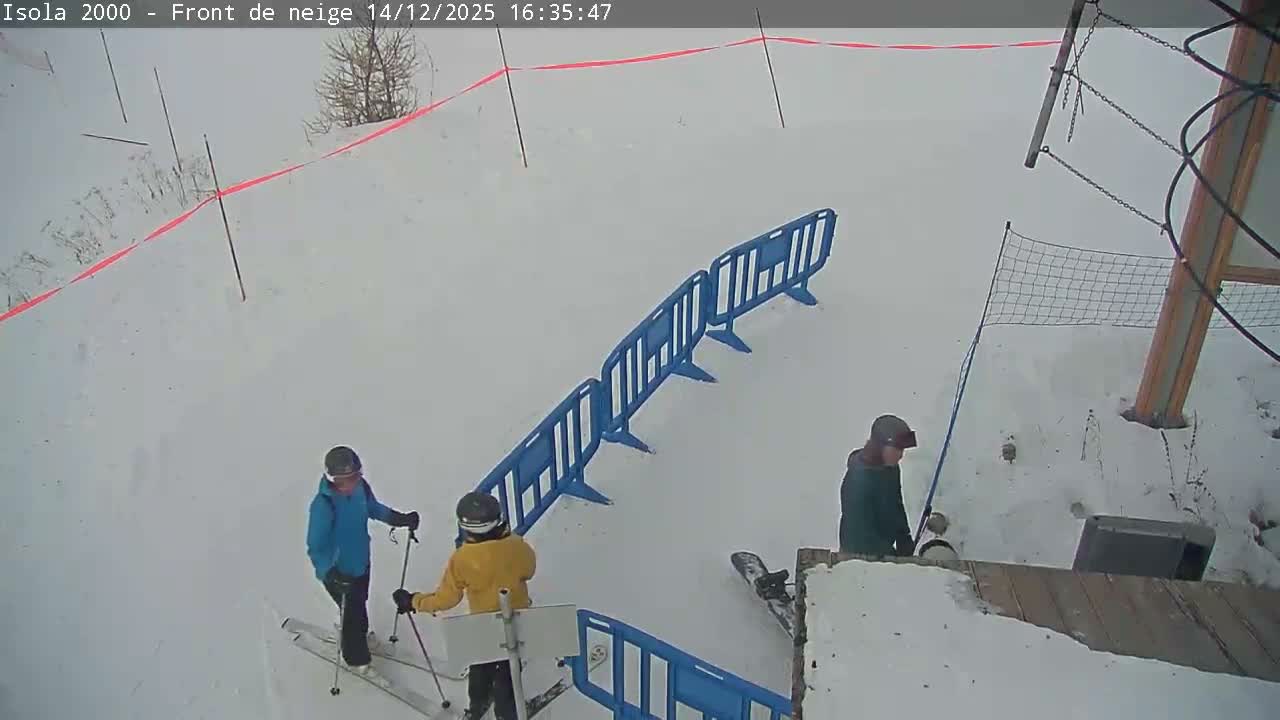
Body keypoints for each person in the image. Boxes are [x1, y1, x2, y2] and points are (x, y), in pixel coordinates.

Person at [392, 491, 536, 720]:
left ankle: (478, 706)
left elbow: (446, 599)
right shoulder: (517, 546)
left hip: (483, 627)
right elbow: (529, 570)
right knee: (509, 671)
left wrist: (415, 601)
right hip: (518, 622)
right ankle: (508, 712)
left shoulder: (463, 559)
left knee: (481, 668)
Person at [306, 445, 420, 680]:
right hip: (337, 573)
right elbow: (315, 546)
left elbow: (373, 508)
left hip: (360, 562)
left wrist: (398, 518)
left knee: (360, 603)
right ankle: (356, 658)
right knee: (352, 614)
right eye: (347, 479)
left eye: (356, 475)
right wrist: (330, 573)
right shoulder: (323, 505)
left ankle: (361, 635)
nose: (354, 481)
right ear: (333, 480)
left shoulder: (360, 489)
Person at [839, 414, 917, 557]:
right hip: (855, 556)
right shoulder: (857, 480)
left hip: (882, 549)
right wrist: (891, 556)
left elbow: (896, 505)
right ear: (880, 446)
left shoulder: (891, 468)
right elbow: (859, 535)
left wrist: (903, 537)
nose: (901, 455)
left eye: (902, 450)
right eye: (897, 449)